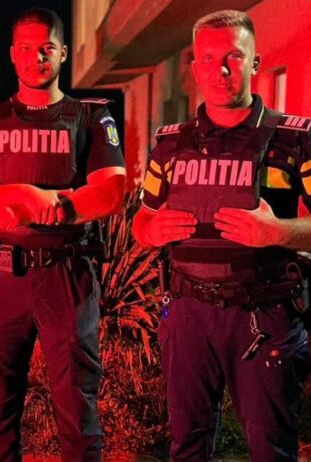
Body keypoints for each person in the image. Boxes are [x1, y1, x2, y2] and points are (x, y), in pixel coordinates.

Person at [133, 9, 311, 462]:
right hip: (187, 314)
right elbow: (141, 222)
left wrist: (280, 231)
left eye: (234, 56)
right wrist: (152, 230)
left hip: (263, 316)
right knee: (186, 447)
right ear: (195, 68)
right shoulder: (170, 145)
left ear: (255, 63)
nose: (222, 70)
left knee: (271, 449)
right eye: (209, 59)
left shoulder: (295, 140)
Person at [0, 8, 126, 462]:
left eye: (47, 48)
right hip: (2, 277)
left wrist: (59, 208)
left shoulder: (89, 116)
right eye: (26, 49)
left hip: (67, 278)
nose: (37, 58)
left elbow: (111, 190)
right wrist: (23, 193)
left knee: (77, 409)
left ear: (63, 52)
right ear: (13, 54)